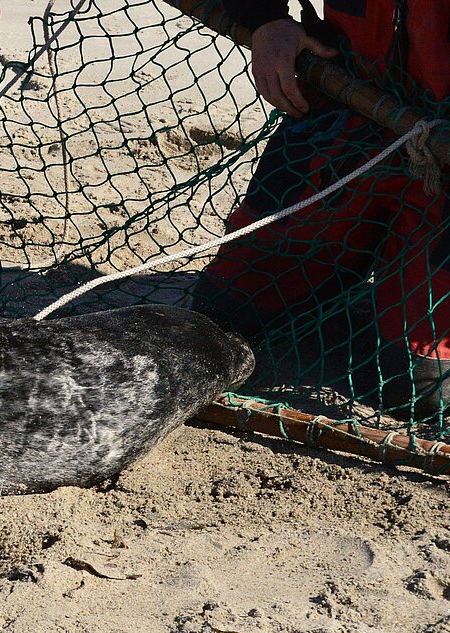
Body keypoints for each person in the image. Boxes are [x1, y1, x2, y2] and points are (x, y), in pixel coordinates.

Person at [192, 0, 450, 421]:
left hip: (445, 156)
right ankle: (362, 271)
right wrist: (266, 19)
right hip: (347, 110)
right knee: (224, 311)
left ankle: (398, 281)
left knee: (422, 392)